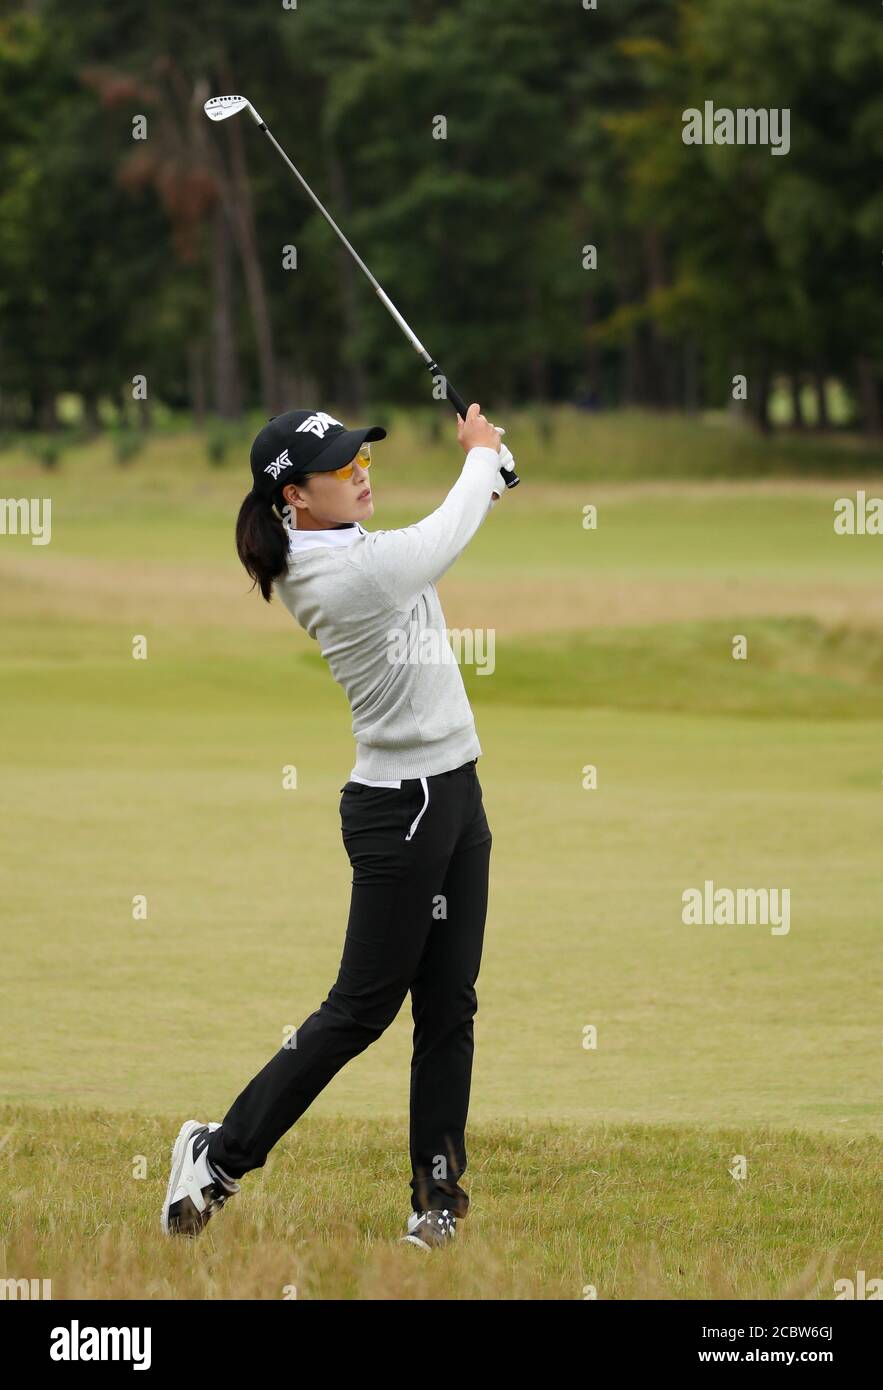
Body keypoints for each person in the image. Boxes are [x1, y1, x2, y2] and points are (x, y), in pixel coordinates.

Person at [162, 402, 513, 1250]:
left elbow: (447, 524)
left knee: (449, 1004)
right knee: (359, 1010)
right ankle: (217, 1154)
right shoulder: (337, 575)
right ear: (294, 499)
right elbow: (438, 540)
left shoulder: (344, 546)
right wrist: (481, 457)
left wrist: (488, 475)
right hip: (401, 810)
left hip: (454, 792)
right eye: (340, 466)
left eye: (361, 456)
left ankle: (436, 1197)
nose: (360, 471)